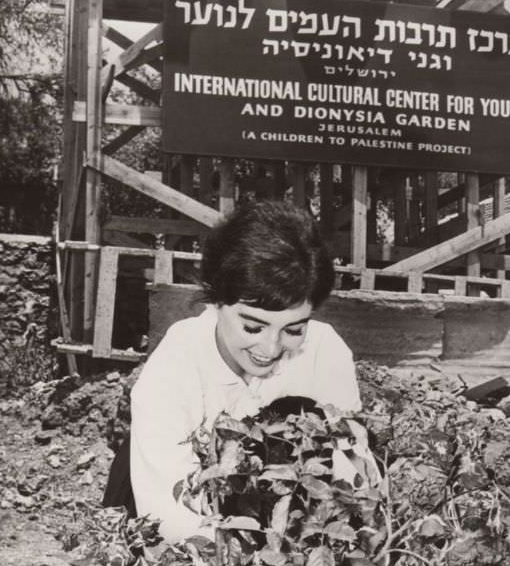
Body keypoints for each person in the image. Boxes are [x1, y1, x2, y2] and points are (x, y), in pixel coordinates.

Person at [105, 200, 362, 543]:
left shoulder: (325, 352)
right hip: (172, 511)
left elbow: (351, 473)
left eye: (294, 330)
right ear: (217, 300)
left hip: (283, 524)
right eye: (253, 328)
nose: (270, 349)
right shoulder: (177, 363)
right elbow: (168, 513)